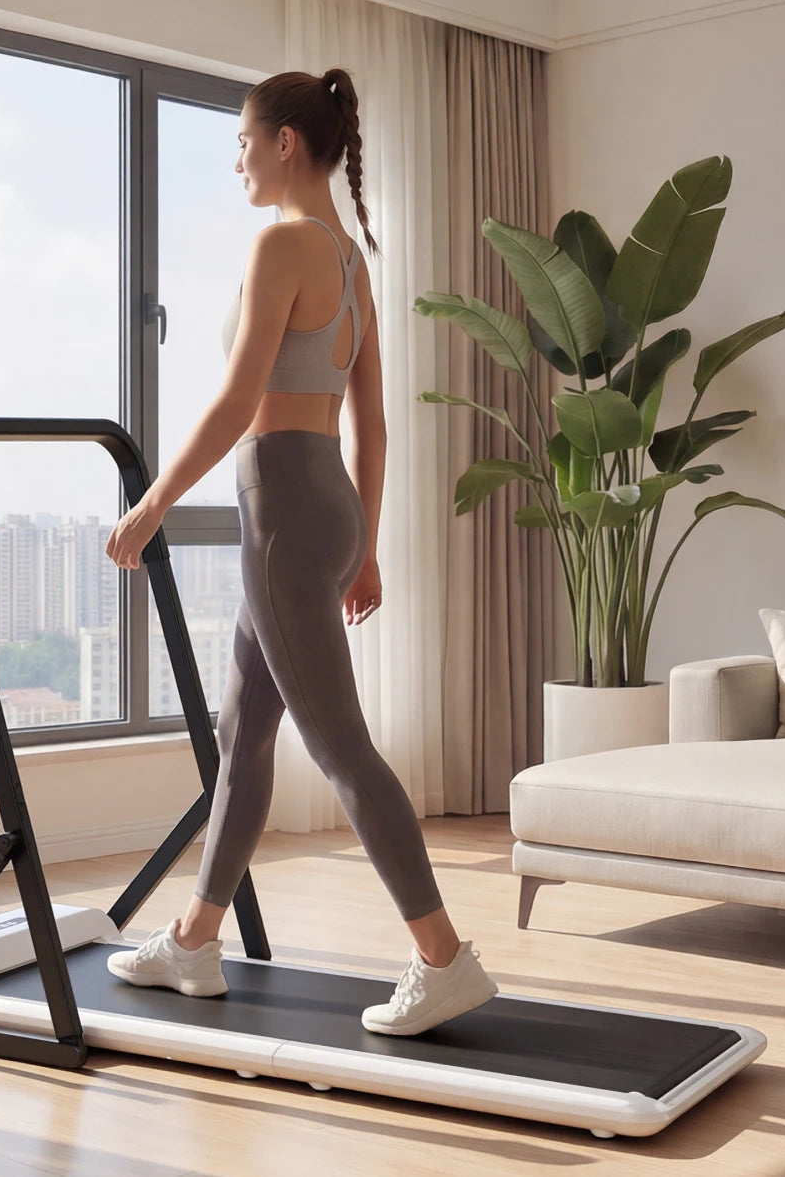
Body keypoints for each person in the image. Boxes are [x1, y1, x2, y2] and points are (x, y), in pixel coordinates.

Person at [103, 68, 497, 1036]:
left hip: (277, 509)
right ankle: (195, 940)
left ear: (286, 142)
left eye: (242, 139)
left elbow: (240, 403)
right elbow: (373, 431)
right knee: (244, 730)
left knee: (339, 744)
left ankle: (441, 955)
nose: (234, 156)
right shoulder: (354, 262)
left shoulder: (281, 243)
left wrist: (153, 500)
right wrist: (362, 545)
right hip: (324, 508)